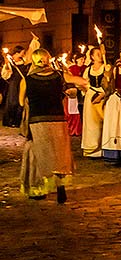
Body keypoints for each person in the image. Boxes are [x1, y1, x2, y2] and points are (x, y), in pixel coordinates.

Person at [19, 49, 87, 202]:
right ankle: (60, 186)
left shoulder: (27, 79)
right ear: (48, 59)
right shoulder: (59, 76)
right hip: (58, 120)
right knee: (58, 155)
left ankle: (39, 189)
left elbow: (21, 101)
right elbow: (79, 81)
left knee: (38, 155)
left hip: (37, 121)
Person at [2, 46, 26, 128]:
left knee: (21, 102)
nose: (23, 54)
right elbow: (5, 75)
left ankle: (17, 121)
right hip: (14, 84)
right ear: (17, 53)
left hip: (22, 84)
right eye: (22, 52)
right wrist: (6, 66)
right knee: (13, 102)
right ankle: (10, 120)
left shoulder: (23, 61)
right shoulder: (10, 62)